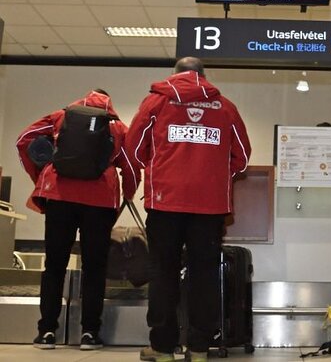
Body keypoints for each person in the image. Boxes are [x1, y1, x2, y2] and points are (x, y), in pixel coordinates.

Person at [125, 57, 251, 362]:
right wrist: (214, 175)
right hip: (209, 207)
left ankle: (164, 348)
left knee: (163, 272)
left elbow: (133, 149)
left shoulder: (156, 102)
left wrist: (158, 169)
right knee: (205, 276)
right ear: (203, 76)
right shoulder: (226, 108)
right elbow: (243, 157)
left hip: (164, 201)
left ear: (174, 75)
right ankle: (198, 349)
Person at [16, 89, 140, 351]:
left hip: (58, 196)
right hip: (99, 201)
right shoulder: (117, 127)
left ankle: (47, 331)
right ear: (109, 104)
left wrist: (41, 176)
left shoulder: (61, 116)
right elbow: (130, 165)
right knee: (94, 268)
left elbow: (24, 139)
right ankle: (89, 334)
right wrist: (127, 194)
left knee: (54, 265)